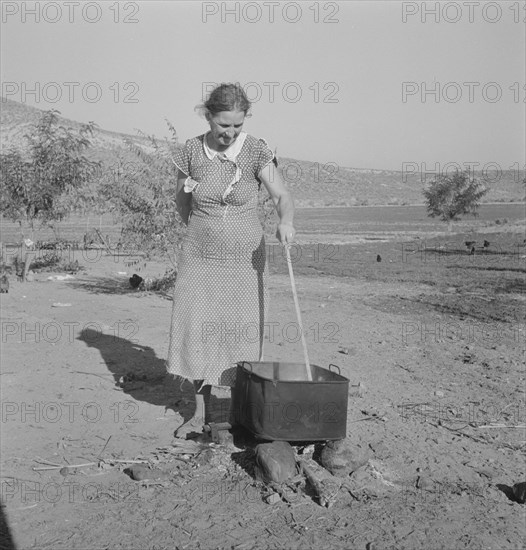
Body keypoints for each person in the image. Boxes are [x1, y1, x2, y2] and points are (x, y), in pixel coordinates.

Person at [167, 83, 295, 439]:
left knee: (242, 330)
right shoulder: (191, 150)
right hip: (199, 256)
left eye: (237, 125)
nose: (230, 133)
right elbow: (182, 202)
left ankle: (242, 411)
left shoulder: (255, 150)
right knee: (196, 326)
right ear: (209, 117)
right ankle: (199, 413)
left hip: (244, 259)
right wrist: (205, 231)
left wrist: (286, 220)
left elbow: (282, 194)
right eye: (224, 125)